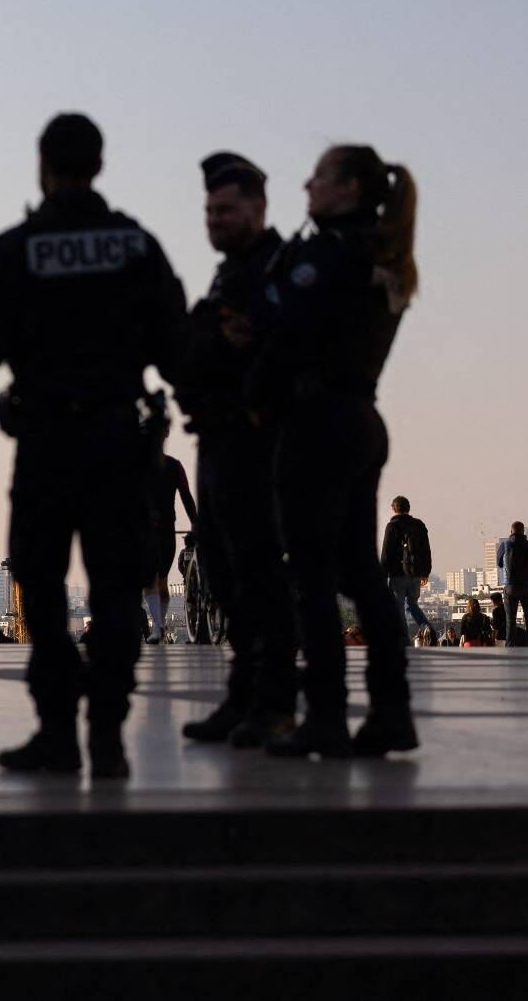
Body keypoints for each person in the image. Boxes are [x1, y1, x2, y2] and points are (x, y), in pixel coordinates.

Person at [0, 112, 186, 780]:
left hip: (47, 438)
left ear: (42, 165)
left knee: (43, 584)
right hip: (119, 438)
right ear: (100, 163)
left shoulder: (19, 246)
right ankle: (109, 736)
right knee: (117, 588)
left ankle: (58, 731)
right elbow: (176, 345)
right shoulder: (136, 246)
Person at [247, 144, 419, 758]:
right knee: (361, 574)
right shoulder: (382, 256)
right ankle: (391, 711)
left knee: (313, 576)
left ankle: (324, 715)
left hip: (316, 421)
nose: (307, 185)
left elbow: (289, 339)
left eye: (319, 176)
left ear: (348, 188)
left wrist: (256, 400)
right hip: (360, 418)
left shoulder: (327, 257)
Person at [172, 153, 299, 745]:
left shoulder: (278, 269)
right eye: (209, 210)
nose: (214, 220)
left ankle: (273, 699)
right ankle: (244, 693)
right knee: (222, 572)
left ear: (258, 208)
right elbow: (194, 346)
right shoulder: (231, 274)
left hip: (258, 441)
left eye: (226, 209)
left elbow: (278, 352)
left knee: (255, 571)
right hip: (217, 437)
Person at [142, 451, 197, 642]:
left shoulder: (138, 464)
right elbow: (186, 496)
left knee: (152, 580)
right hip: (167, 531)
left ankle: (158, 626)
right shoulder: (174, 466)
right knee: (161, 579)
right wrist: (195, 523)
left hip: (147, 530)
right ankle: (160, 625)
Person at [380, 497, 435, 640]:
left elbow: (386, 554)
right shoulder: (419, 525)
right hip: (416, 574)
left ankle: (403, 640)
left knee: (398, 609)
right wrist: (425, 572)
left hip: (397, 575)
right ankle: (426, 626)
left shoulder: (392, 526)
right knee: (411, 604)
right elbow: (426, 550)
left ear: (393, 508)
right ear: (408, 508)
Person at [496, 521, 528, 643]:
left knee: (511, 620)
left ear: (511, 531)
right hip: (527, 586)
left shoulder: (505, 545)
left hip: (510, 586)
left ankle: (510, 646)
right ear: (523, 531)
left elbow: (499, 563)